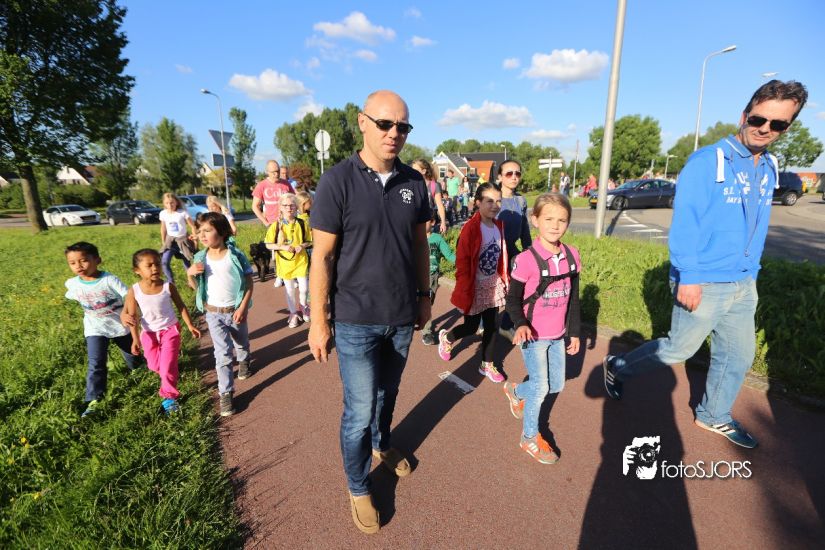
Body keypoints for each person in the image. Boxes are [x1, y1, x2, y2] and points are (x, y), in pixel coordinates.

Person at [602, 80, 808, 449]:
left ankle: (713, 414)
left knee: (738, 355)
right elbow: (686, 224)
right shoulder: (707, 162)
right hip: (703, 279)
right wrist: (689, 276)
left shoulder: (769, 166)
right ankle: (619, 367)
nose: (765, 129)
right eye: (759, 119)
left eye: (778, 124)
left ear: (787, 127)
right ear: (744, 115)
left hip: (743, 280)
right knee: (679, 349)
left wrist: (751, 271)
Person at [308, 90, 430, 534]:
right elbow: (322, 257)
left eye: (403, 126)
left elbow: (419, 244)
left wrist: (424, 296)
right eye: (385, 124)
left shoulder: (414, 183)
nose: (394, 133)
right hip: (355, 318)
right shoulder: (337, 181)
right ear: (362, 122)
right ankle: (359, 486)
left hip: (400, 315)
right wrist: (318, 321)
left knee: (387, 395)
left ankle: (383, 444)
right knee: (359, 410)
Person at [502, 193, 581, 464]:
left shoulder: (572, 256)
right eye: (548, 219)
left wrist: (574, 331)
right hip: (533, 335)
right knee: (540, 386)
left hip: (557, 335)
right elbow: (512, 299)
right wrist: (520, 324)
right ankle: (529, 437)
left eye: (562, 220)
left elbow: (574, 298)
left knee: (556, 384)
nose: (555, 225)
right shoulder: (526, 259)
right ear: (535, 220)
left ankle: (515, 392)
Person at [437, 183, 509, 383]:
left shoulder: (499, 227)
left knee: (492, 326)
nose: (495, 205)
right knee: (471, 327)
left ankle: (487, 363)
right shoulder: (470, 228)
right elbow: (462, 260)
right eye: (489, 201)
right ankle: (447, 337)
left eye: (498, 201)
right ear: (477, 202)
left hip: (492, 284)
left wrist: (504, 277)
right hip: (474, 286)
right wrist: (464, 287)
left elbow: (500, 256)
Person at [187, 212, 255, 417]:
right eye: (200, 231)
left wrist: (243, 307)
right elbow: (196, 288)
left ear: (223, 232)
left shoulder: (235, 256)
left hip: (235, 311)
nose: (202, 235)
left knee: (241, 342)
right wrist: (190, 274)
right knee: (222, 354)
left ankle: (244, 360)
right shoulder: (200, 258)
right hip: (213, 313)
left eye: (208, 230)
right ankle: (226, 393)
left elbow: (249, 283)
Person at [64, 241, 140, 418]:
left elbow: (129, 295)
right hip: (94, 329)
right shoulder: (72, 283)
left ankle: (139, 368)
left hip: (120, 326)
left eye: (83, 260)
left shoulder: (108, 280)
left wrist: (124, 313)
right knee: (96, 363)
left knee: (133, 356)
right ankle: (94, 399)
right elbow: (71, 294)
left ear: (97, 260)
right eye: (72, 263)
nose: (78, 266)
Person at [123, 248, 201, 414]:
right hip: (148, 334)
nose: (155, 268)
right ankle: (169, 372)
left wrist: (190, 325)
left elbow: (181, 306)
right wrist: (135, 339)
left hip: (170, 330)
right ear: (137, 270)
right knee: (154, 365)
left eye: (157, 264)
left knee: (166, 367)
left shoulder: (168, 286)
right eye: (149, 265)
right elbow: (132, 317)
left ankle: (169, 397)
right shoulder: (134, 291)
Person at [265, 193, 312, 328]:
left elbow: (309, 241)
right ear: (280, 207)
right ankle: (293, 313)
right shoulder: (275, 226)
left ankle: (303, 306)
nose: (289, 208)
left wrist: (301, 246)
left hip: (300, 261)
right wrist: (283, 247)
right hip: (285, 263)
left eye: (292, 205)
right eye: (285, 205)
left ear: (296, 206)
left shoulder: (302, 223)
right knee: (290, 290)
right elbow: (268, 244)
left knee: (304, 288)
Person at [497, 160, 533, 335]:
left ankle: (505, 324)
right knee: (491, 289)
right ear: (500, 176)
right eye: (509, 173)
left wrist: (530, 251)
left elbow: (525, 228)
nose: (514, 177)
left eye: (517, 173)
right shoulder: (493, 198)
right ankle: (481, 321)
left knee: (518, 288)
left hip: (511, 251)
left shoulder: (520, 200)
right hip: (493, 250)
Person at [421, 212, 455, 345]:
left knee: (428, 303)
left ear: (432, 222)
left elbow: (449, 254)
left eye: (425, 221)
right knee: (420, 302)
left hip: (432, 276)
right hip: (417, 276)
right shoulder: (413, 237)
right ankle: (426, 331)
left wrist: (463, 262)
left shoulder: (437, 238)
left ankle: (423, 323)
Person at [159, 193, 197, 289]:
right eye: (167, 203)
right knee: (164, 262)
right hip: (170, 241)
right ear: (164, 204)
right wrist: (163, 241)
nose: (170, 205)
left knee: (187, 262)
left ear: (176, 202)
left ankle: (191, 282)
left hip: (182, 240)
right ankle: (171, 283)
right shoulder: (163, 213)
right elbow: (163, 228)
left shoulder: (182, 213)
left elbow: (192, 226)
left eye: (172, 202)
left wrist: (194, 237)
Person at [411, 158, 447, 233]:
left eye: (415, 170)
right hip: (414, 220)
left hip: (428, 221)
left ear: (424, 171)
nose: (412, 172)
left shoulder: (434, 185)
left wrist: (443, 222)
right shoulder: (411, 184)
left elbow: (440, 205)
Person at [252, 160, 293, 226]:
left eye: (278, 171)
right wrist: (266, 223)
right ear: (267, 172)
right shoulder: (261, 185)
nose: (276, 174)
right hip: (272, 224)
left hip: (288, 222)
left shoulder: (286, 184)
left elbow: (294, 201)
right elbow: (255, 206)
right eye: (273, 172)